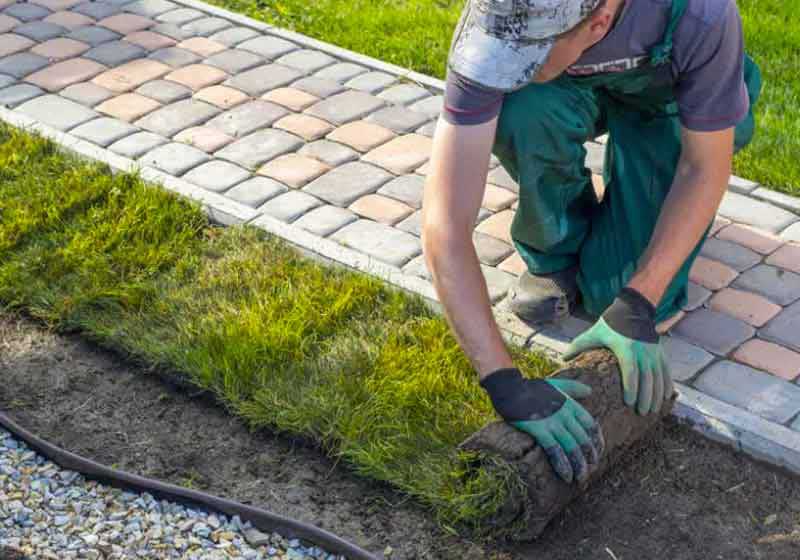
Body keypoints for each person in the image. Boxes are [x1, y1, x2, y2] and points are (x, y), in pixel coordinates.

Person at [420, 0, 762, 484]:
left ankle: (635, 192)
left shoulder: (702, 13)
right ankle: (555, 247)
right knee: (519, 105)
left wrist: (639, 301)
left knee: (617, 296)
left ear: (599, 21)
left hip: (666, 100)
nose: (506, 62)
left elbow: (704, 167)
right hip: (566, 86)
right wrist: (502, 380)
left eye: (528, 53)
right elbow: (444, 224)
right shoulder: (499, 20)